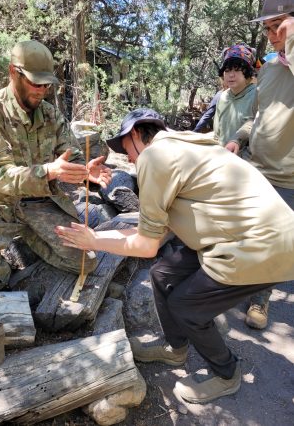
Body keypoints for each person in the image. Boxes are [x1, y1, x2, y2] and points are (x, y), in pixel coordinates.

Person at [55, 107, 294, 404]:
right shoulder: (187, 145)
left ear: (136, 135)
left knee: (186, 306)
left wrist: (94, 240)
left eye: (126, 148)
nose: (128, 158)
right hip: (251, 236)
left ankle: (226, 373)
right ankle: (176, 348)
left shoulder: (155, 157)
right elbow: (156, 233)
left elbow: (146, 246)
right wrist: (97, 238)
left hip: (257, 247)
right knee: (163, 273)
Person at [0, 40, 111, 295]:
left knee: (87, 261)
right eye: (34, 83)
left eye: (46, 84)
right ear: (12, 72)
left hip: (41, 202)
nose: (41, 90)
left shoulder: (51, 114)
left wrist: (85, 174)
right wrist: (48, 171)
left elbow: (67, 158)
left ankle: (30, 240)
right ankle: (0, 282)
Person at [226, 0, 294, 329]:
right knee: (245, 230)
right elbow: (257, 116)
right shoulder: (268, 69)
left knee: (274, 245)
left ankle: (260, 301)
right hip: (257, 169)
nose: (271, 34)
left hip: (288, 179)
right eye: (266, 28)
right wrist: (239, 138)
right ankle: (237, 284)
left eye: (277, 25)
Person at [213, 43, 257, 146]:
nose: (231, 75)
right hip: (222, 156)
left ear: (247, 72)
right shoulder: (222, 97)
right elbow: (217, 134)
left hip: (247, 160)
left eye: (237, 70)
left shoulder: (257, 95)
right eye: (227, 70)